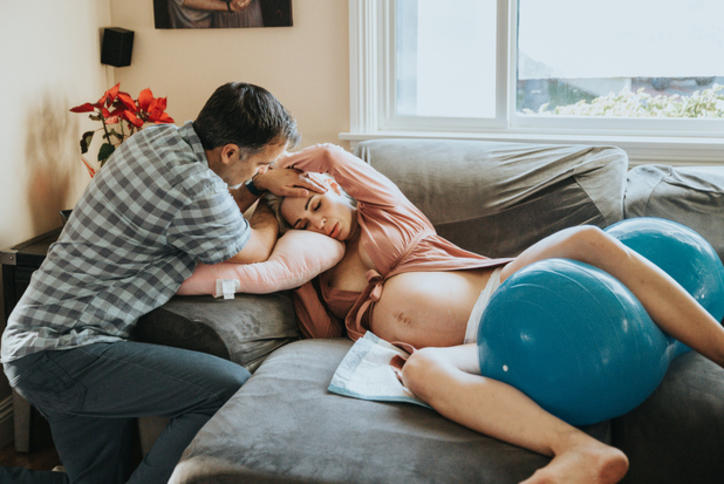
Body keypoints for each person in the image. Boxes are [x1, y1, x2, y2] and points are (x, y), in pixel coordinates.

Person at [263, 143, 724, 484]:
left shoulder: (388, 214)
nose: (317, 222)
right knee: (420, 371)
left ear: (336, 191)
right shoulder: (318, 278)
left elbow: (329, 155)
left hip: (504, 287)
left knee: (587, 238)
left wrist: (264, 178)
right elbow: (308, 319)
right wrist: (290, 251)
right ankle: (578, 450)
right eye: (304, 224)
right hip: (480, 347)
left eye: (317, 205)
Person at [0, 82, 326, 484]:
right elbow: (255, 247)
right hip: (64, 352)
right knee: (226, 387)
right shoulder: (196, 187)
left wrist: (256, 183)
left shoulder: (155, 139)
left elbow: (211, 216)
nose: (262, 172)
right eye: (261, 164)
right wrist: (273, 206)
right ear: (228, 153)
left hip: (31, 341)